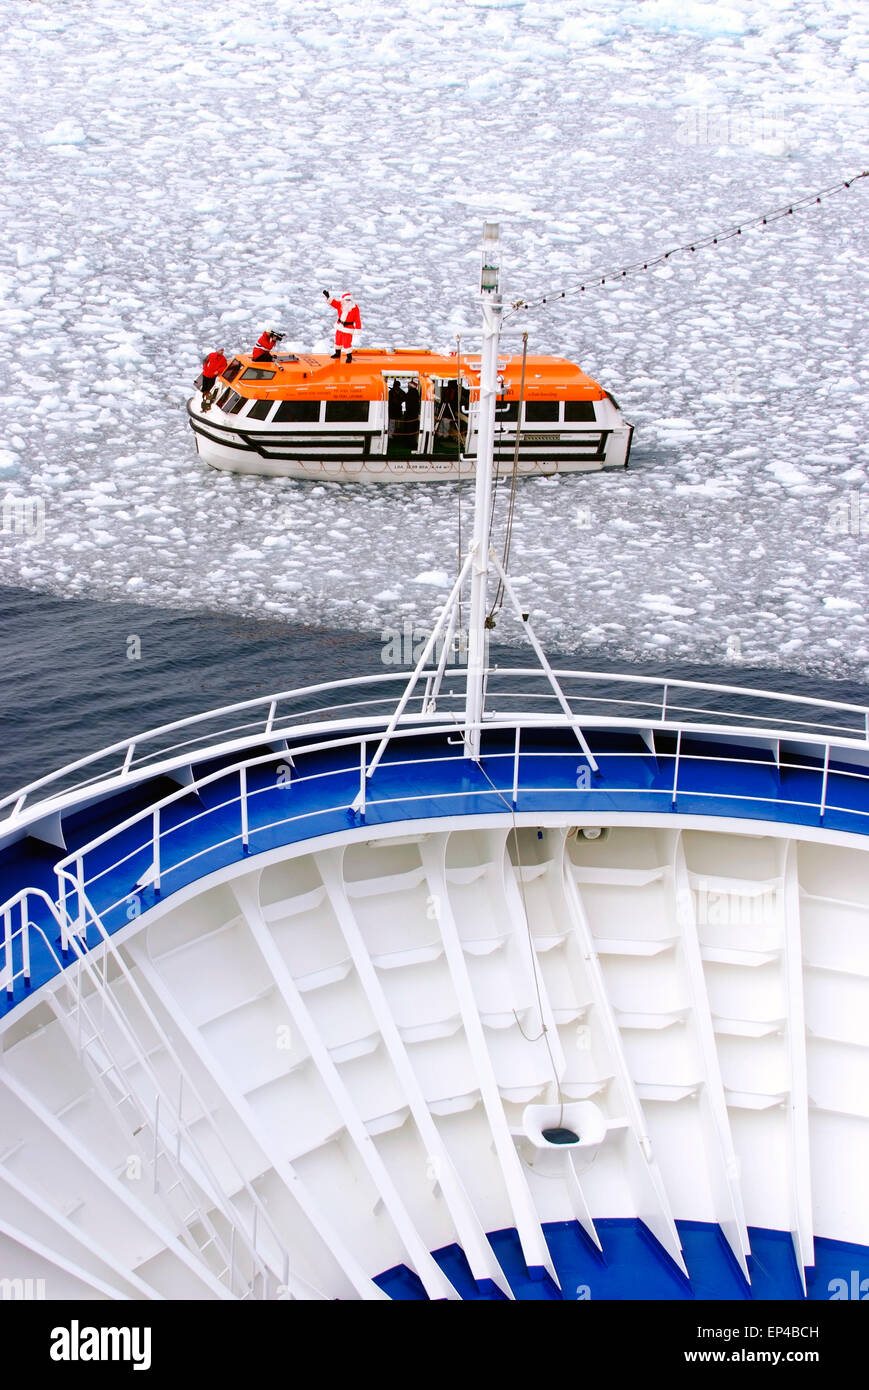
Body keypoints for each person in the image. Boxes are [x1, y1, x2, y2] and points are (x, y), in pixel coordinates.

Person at [322, 290, 361, 363]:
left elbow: (357, 319)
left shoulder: (355, 308)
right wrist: (328, 297)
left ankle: (349, 356)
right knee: (338, 340)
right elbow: (333, 303)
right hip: (340, 326)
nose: (348, 301)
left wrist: (358, 329)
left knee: (347, 342)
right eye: (346, 300)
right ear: (343, 299)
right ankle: (337, 353)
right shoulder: (340, 304)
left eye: (349, 300)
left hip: (348, 328)